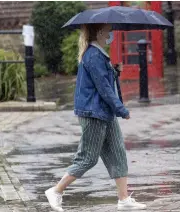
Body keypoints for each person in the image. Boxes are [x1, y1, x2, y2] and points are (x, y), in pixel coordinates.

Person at [45, 23, 146, 211]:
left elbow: (102, 81)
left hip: (103, 112)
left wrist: (114, 71)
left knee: (117, 154)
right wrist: (121, 109)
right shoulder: (93, 55)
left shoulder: (98, 54)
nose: (111, 34)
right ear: (100, 33)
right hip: (94, 113)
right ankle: (56, 190)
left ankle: (123, 199)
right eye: (108, 31)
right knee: (88, 157)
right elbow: (104, 89)